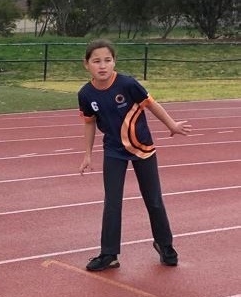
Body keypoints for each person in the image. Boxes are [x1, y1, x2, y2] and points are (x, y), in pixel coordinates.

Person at [78, 39, 191, 271]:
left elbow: (151, 104)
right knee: (112, 202)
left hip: (143, 149)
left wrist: (171, 125)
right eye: (96, 61)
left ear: (114, 62)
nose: (102, 66)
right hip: (113, 152)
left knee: (154, 199)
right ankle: (109, 254)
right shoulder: (86, 94)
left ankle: (165, 244)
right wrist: (87, 154)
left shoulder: (128, 84)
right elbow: (89, 124)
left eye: (107, 60)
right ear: (86, 64)